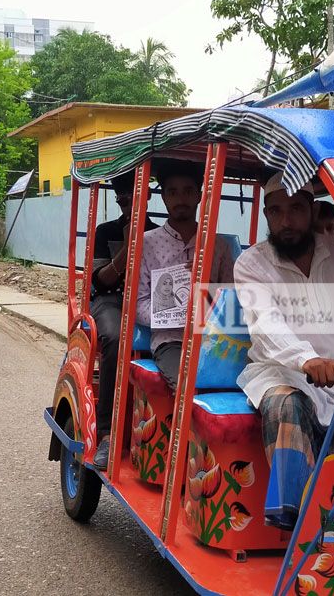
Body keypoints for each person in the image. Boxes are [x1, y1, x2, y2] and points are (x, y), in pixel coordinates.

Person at [234, 173, 334, 530]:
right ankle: (298, 521)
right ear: (267, 215)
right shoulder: (252, 264)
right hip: (280, 373)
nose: (286, 222)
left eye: (296, 210)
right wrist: (307, 360)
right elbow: (266, 325)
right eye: (276, 212)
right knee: (285, 405)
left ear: (311, 209)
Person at [135, 159, 236, 387]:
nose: (181, 199)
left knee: (242, 384)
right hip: (170, 341)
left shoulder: (218, 246)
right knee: (188, 386)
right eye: (173, 192)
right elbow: (138, 304)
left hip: (215, 339)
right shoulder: (146, 244)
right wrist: (170, 315)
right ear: (164, 198)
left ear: (199, 196)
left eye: (188, 191)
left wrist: (206, 285)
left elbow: (231, 301)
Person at [90, 171, 157, 469]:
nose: (130, 204)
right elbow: (100, 282)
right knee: (117, 338)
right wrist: (127, 251)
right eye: (125, 199)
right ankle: (106, 432)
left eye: (137, 198)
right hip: (111, 300)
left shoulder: (160, 232)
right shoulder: (106, 232)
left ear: (149, 198)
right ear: (118, 200)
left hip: (151, 302)